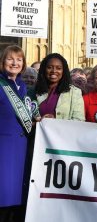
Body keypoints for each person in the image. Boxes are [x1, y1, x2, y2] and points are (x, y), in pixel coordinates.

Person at [0, 46, 30, 221]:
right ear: (3, 62)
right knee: (4, 196)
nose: (15, 63)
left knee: (17, 200)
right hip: (4, 149)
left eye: (19, 59)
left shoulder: (24, 86)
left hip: (22, 148)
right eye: (10, 59)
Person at [35, 53, 85, 121]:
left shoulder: (74, 92)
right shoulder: (33, 91)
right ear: (44, 69)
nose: (54, 71)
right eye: (49, 67)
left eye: (58, 68)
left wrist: (56, 121)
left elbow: (79, 121)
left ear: (63, 71)